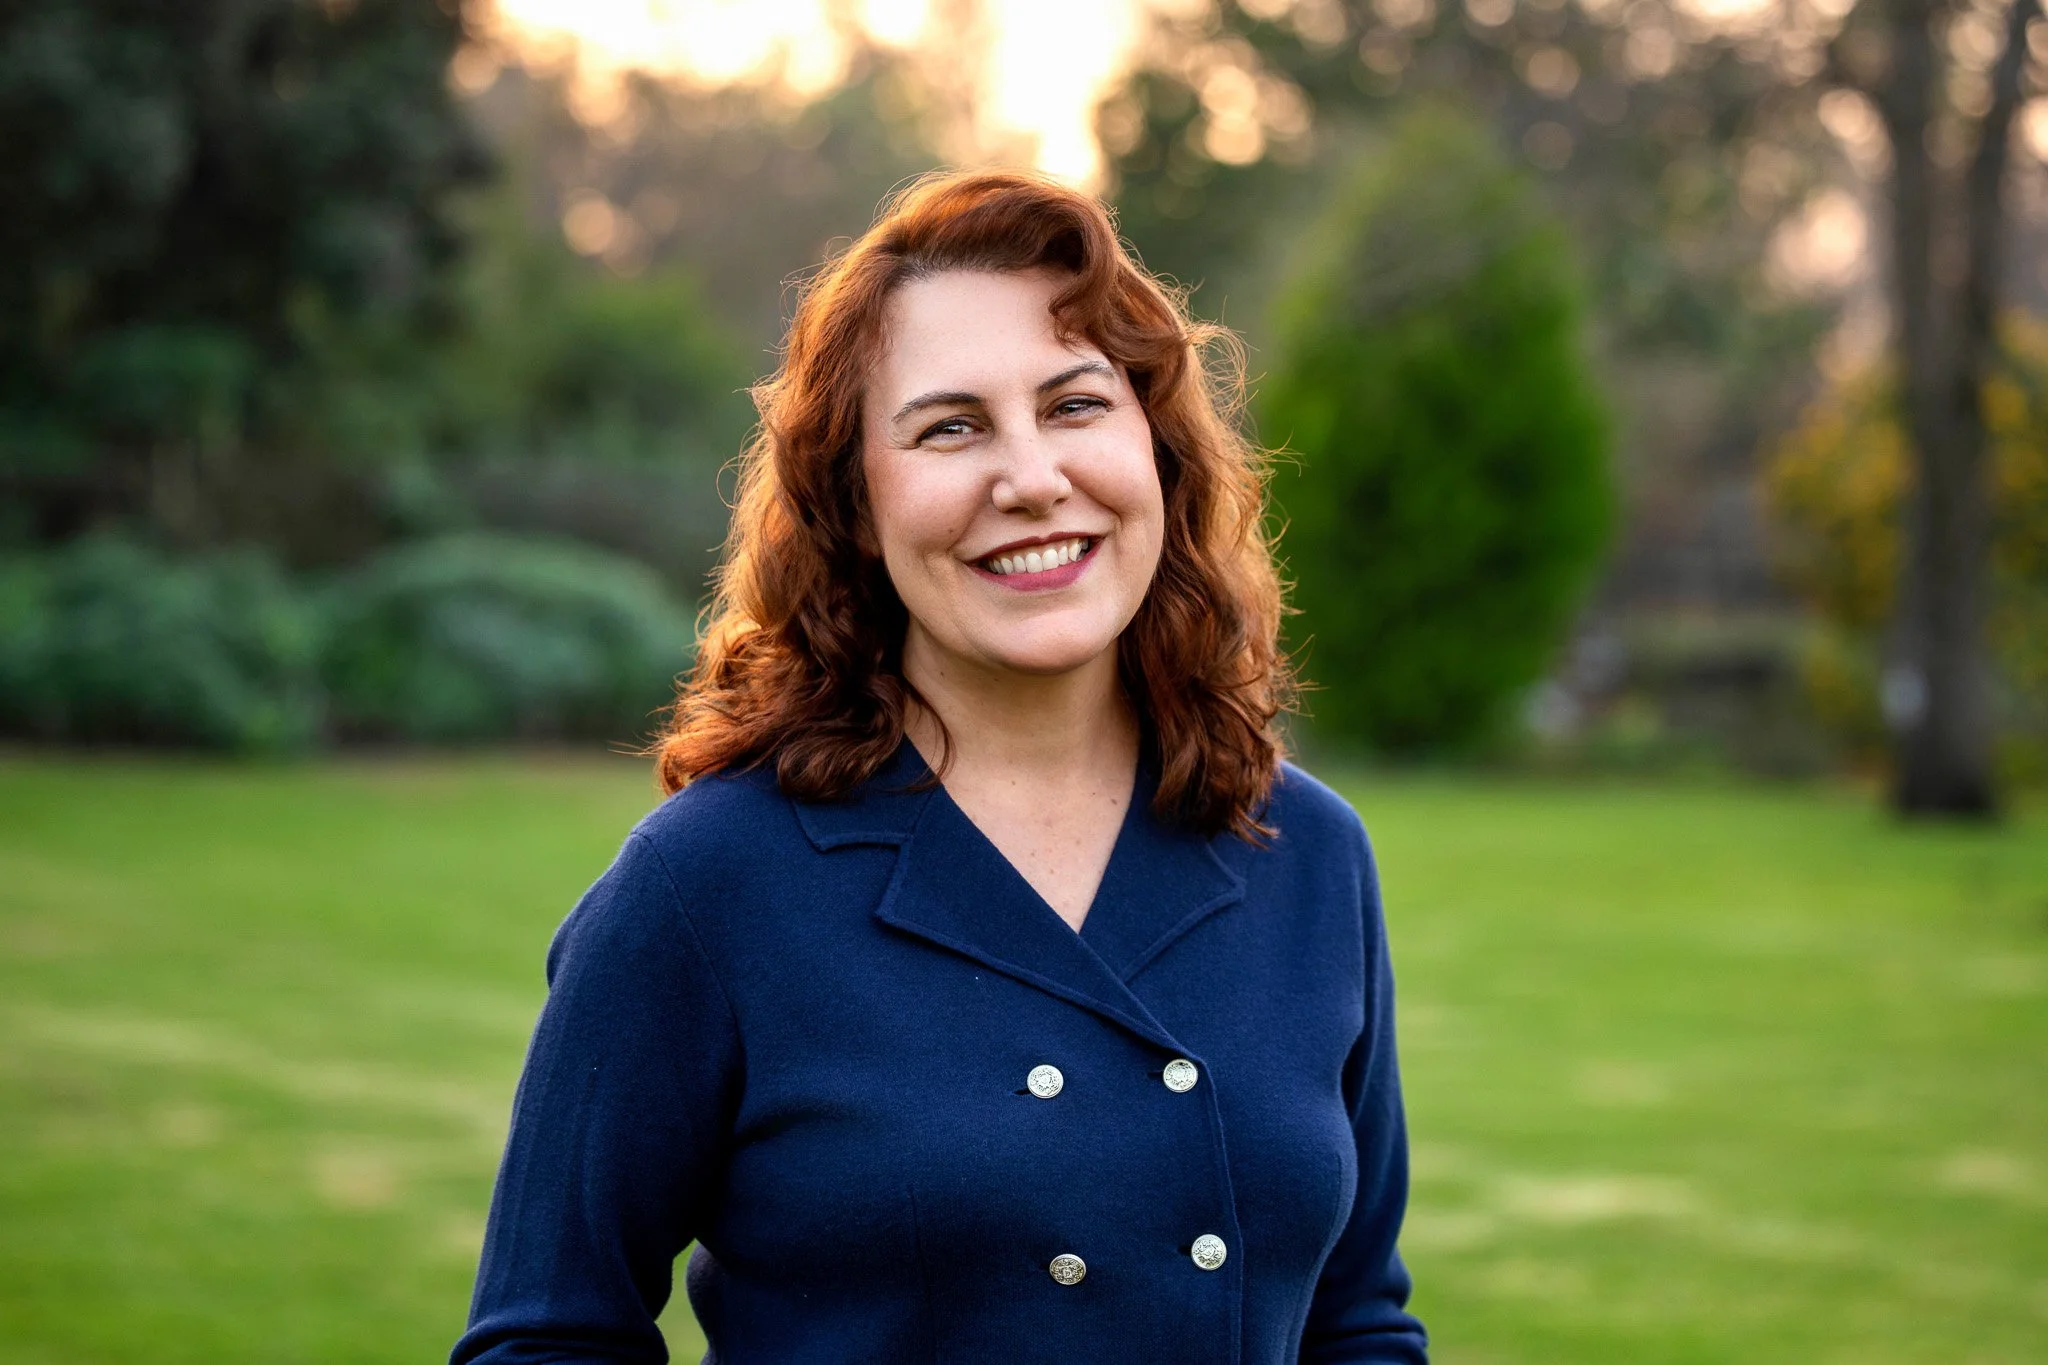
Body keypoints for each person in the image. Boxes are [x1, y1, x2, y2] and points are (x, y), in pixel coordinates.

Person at [451, 170, 1428, 1365]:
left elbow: (1358, 1321)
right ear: (854, 503)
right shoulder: (707, 884)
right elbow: (546, 1340)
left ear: (1156, 454)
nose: (1028, 479)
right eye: (949, 427)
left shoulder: (1305, 853)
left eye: (1074, 405)